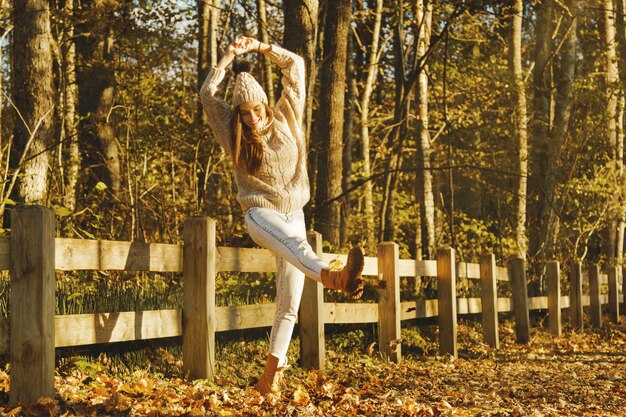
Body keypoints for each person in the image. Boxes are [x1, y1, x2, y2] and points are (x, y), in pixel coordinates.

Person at [199, 36, 364, 395]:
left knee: (289, 303)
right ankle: (333, 278)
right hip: (260, 215)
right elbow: (207, 96)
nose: (253, 118)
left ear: (265, 106)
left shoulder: (288, 113)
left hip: (294, 215)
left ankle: (269, 377)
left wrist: (261, 48)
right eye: (245, 113)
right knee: (296, 249)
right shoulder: (232, 131)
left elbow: (296, 67)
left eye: (257, 110)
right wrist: (227, 57)